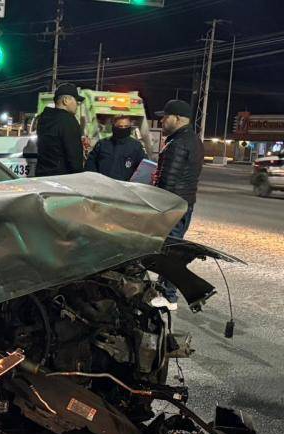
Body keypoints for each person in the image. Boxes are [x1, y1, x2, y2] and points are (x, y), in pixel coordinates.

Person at [151, 99, 204, 310]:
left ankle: (169, 295)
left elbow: (169, 181)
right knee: (170, 248)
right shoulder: (191, 140)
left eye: (166, 116)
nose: (162, 120)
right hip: (184, 203)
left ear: (179, 119)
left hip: (173, 205)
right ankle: (164, 289)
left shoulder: (179, 143)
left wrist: (157, 206)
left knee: (171, 250)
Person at [35, 83, 84, 177]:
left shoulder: (43, 119)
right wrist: (79, 177)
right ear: (66, 100)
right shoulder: (68, 121)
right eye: (76, 101)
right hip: (62, 179)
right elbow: (74, 156)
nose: (77, 105)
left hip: (42, 176)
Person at [84, 115, 146, 181]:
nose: (123, 128)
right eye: (120, 126)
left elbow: (143, 168)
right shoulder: (102, 144)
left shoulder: (136, 146)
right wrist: (95, 180)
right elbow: (90, 164)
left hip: (125, 187)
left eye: (126, 126)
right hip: (103, 185)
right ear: (114, 127)